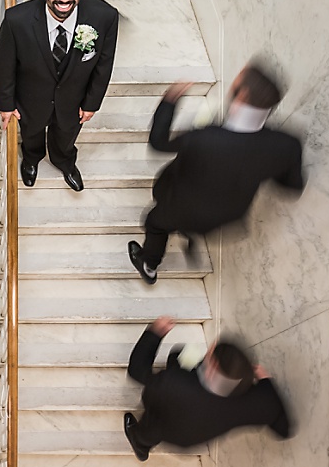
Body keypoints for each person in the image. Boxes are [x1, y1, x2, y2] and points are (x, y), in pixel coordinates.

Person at [127, 64, 305, 284]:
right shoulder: (287, 145)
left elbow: (158, 144)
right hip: (225, 217)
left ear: (243, 93)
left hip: (180, 207)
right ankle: (185, 231)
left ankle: (149, 264)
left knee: (155, 222)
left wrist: (169, 102)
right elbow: (291, 187)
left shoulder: (204, 138)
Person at [0, 0, 119, 191]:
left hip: (73, 101)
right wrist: (6, 103)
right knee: (31, 135)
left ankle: (65, 161)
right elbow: (4, 64)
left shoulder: (105, 18)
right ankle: (31, 159)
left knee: (66, 137)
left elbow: (104, 63)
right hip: (31, 99)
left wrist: (92, 102)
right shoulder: (16, 20)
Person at [124, 316, 293, 462]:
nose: (209, 350)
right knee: (180, 354)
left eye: (210, 353)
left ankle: (140, 444)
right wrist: (266, 382)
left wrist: (154, 334)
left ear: (213, 367)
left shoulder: (171, 385)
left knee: (151, 427)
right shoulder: (261, 402)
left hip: (171, 427)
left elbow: (137, 372)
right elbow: (283, 429)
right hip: (196, 436)